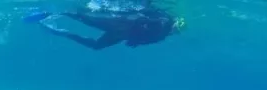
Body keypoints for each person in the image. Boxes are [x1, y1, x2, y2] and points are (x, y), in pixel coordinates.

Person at [25, 2, 185, 50]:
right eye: (178, 27)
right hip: (122, 26)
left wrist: (135, 41)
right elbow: (143, 18)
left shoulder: (163, 33)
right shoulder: (164, 21)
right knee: (85, 17)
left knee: (95, 43)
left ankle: (58, 31)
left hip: (122, 32)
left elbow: (145, 38)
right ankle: (52, 14)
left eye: (178, 30)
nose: (176, 30)